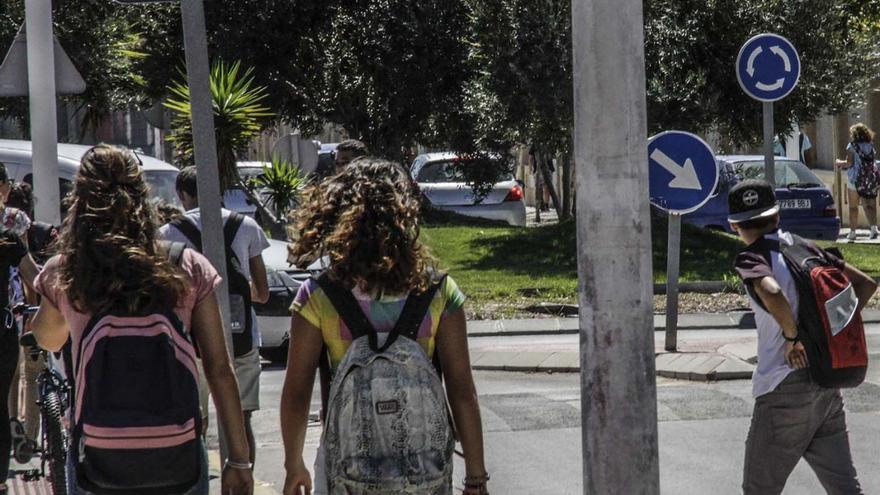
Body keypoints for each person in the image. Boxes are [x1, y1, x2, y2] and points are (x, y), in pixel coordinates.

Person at [28, 145, 253, 495]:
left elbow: (48, 340)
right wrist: (239, 461)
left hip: (100, 449)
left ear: (80, 201)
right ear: (142, 196)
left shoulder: (68, 271)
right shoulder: (187, 265)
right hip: (176, 449)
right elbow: (220, 369)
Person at [280, 158, 489, 495]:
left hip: (348, 472)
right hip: (424, 474)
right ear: (405, 217)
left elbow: (296, 392)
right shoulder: (438, 292)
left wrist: (294, 465)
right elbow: (462, 391)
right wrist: (475, 477)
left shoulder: (318, 296)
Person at [729, 179, 875, 494]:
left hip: (782, 387)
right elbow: (865, 285)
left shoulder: (752, 258)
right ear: (777, 216)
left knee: (759, 489)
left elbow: (771, 291)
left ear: (733, 226)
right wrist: (829, 332)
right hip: (826, 383)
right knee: (845, 487)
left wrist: (794, 338)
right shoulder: (807, 248)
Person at [159, 166, 270, 468]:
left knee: (196, 421)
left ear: (182, 195)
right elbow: (262, 292)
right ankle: (242, 477)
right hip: (242, 338)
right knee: (241, 418)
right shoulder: (246, 226)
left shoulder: (168, 234)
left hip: (190, 341)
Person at [5, 182, 57, 459]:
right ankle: (30, 434)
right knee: (33, 372)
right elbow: (31, 276)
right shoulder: (37, 231)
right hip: (29, 307)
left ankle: (14, 424)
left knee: (12, 374)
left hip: (12, 308)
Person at [835, 123, 879, 241]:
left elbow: (849, 163)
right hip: (869, 179)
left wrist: (839, 162)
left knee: (853, 207)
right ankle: (874, 228)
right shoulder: (870, 145)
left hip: (855, 179)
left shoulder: (852, 146)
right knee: (870, 205)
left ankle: (853, 232)